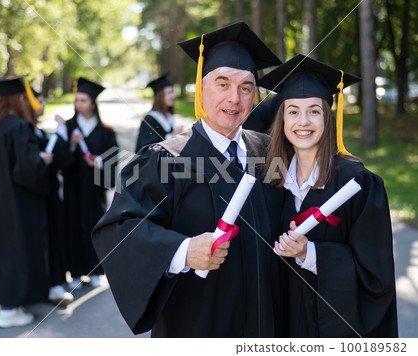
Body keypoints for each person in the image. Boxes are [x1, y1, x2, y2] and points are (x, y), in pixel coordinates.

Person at [92, 21, 283, 337]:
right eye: (222, 84)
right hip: (196, 325)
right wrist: (181, 251)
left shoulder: (267, 152)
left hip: (263, 325)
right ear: (201, 88)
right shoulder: (164, 158)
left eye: (246, 87)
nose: (234, 98)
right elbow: (119, 229)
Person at [260, 54, 398, 337]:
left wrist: (309, 253)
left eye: (314, 111)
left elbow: (376, 275)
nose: (303, 122)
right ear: (282, 120)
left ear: (328, 117)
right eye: (293, 111)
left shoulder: (358, 184)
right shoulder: (271, 182)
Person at [0, 76, 52, 328]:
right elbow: (28, 171)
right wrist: (43, 161)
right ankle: (9, 311)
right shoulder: (18, 127)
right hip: (14, 201)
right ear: (21, 98)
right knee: (14, 251)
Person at [64, 77, 118, 290]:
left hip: (95, 189)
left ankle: (95, 271)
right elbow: (59, 160)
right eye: (77, 100)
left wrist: (99, 161)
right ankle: (76, 272)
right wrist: (70, 144)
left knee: (95, 227)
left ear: (93, 103)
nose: (79, 105)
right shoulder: (69, 128)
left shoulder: (106, 131)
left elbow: (113, 161)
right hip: (74, 187)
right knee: (73, 225)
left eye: (83, 100)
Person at [32, 90, 74, 305]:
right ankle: (50, 284)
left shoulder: (36, 131)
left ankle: (55, 281)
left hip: (48, 193)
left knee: (54, 233)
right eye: (39, 101)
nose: (43, 104)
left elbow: (59, 162)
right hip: (38, 196)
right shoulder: (24, 131)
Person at [135, 74, 183, 152]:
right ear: (160, 96)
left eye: (173, 92)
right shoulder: (149, 120)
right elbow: (145, 150)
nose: (173, 96)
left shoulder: (168, 115)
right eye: (169, 93)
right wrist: (172, 136)